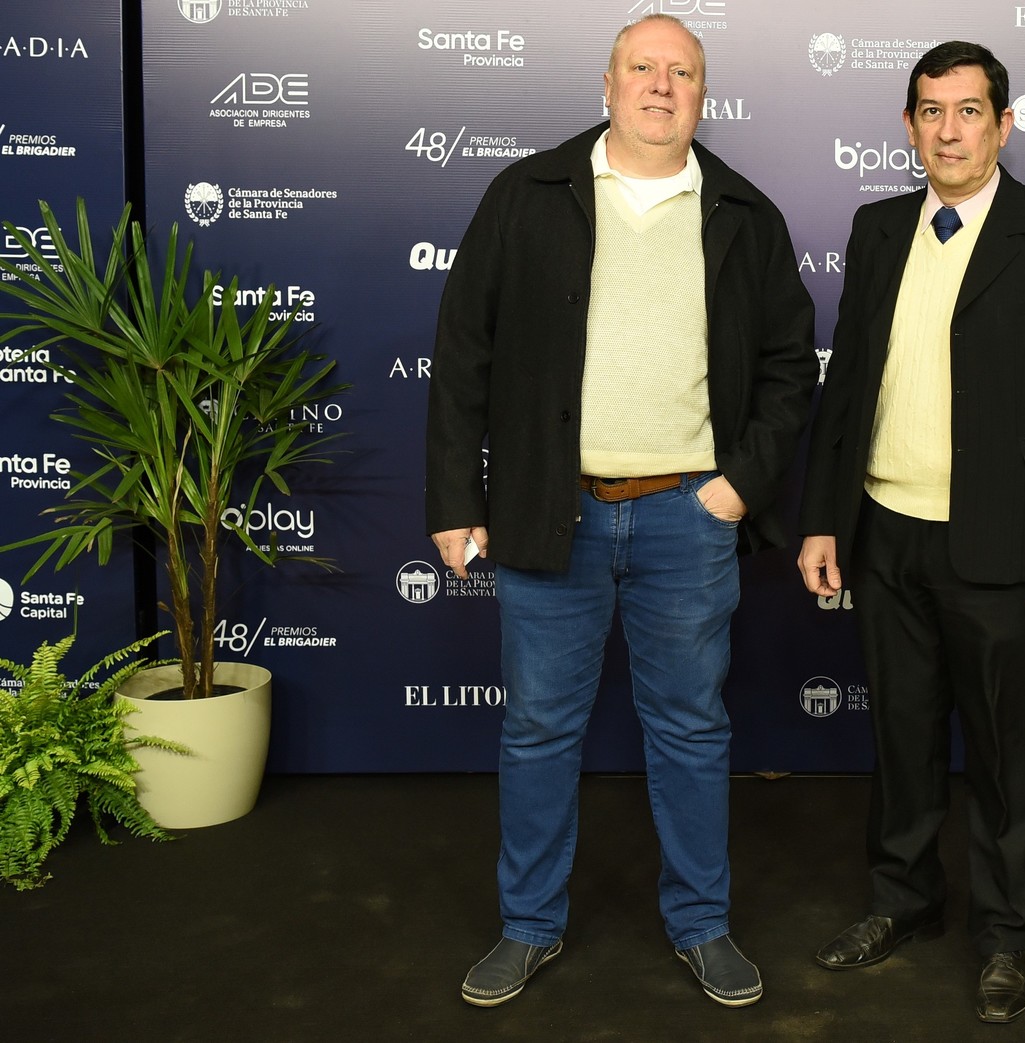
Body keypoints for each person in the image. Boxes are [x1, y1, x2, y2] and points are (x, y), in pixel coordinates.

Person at [426, 14, 816, 1010]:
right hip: (548, 512)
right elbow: (462, 354)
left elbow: (784, 371)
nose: (659, 85)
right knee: (538, 731)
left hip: (689, 517)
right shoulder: (526, 194)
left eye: (680, 72)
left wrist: (737, 484)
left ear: (700, 92)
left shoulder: (741, 212)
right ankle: (527, 925)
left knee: (690, 729)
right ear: (606, 85)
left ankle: (700, 923)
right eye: (641, 68)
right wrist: (453, 500)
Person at [796, 41, 1025, 1024]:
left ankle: (1003, 934)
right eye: (929, 111)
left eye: (968, 111)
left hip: (1002, 542)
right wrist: (822, 517)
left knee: (1000, 755)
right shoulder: (879, 225)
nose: (948, 129)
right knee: (898, 737)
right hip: (886, 533)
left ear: (1002, 123)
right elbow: (846, 383)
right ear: (908, 127)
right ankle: (901, 900)